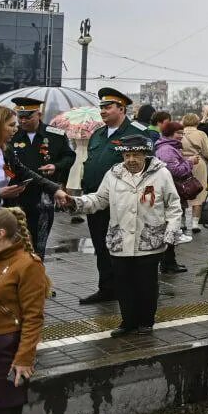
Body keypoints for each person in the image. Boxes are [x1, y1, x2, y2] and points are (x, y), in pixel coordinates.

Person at [66, 135, 183, 336]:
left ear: (145, 154)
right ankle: (128, 322)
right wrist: (76, 202)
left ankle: (146, 322)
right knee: (123, 284)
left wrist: (171, 232)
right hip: (120, 241)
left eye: (136, 155)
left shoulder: (161, 174)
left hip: (149, 240)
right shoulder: (114, 174)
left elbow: (173, 205)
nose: (131, 159)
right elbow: (100, 199)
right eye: (127, 155)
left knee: (146, 285)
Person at [0, 207, 47, 414]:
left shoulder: (28, 265)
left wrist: (24, 358)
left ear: (0, 234)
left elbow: (34, 317)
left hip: (5, 350)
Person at [76, 88, 143, 304]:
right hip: (96, 200)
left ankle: (126, 289)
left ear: (122, 109)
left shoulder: (135, 133)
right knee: (101, 245)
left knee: (123, 246)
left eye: (108, 107)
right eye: (102, 107)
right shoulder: (98, 134)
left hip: (122, 202)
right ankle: (106, 288)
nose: (103, 111)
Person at [7, 97, 75, 260]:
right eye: (20, 116)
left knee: (38, 244)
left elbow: (69, 156)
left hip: (43, 195)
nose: (23, 121)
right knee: (15, 243)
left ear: (39, 114)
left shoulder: (55, 135)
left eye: (27, 117)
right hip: (16, 195)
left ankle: (36, 278)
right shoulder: (12, 135)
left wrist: (56, 166)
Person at [153, 122, 193, 274]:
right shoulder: (167, 149)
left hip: (173, 191)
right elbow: (173, 171)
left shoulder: (169, 147)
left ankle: (170, 261)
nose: (181, 135)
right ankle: (167, 263)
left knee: (172, 225)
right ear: (170, 133)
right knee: (170, 225)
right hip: (171, 192)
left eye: (182, 132)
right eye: (179, 133)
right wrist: (189, 163)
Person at [179, 114, 208, 233]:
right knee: (199, 191)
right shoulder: (201, 134)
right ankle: (195, 224)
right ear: (197, 122)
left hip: (181, 163)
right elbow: (207, 153)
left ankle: (182, 222)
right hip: (198, 163)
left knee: (181, 191)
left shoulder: (179, 133)